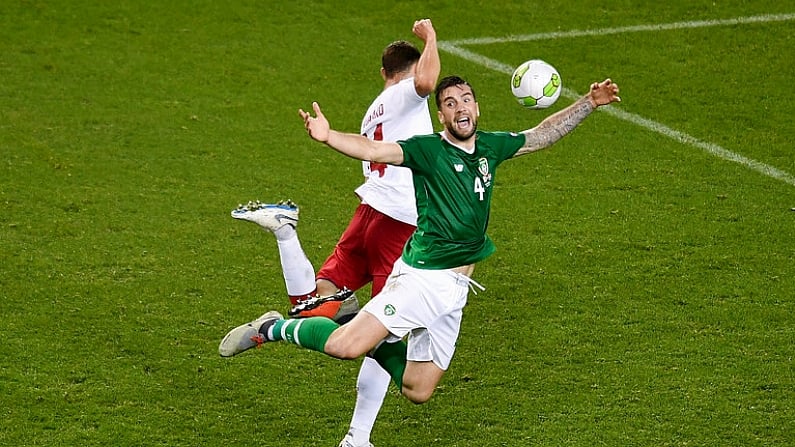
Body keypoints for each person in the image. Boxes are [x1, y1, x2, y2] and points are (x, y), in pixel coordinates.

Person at [220, 74, 620, 419]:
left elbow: (539, 136)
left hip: (456, 290)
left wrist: (589, 102)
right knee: (345, 347)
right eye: (449, 103)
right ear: (442, 116)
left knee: (418, 388)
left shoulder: (489, 148)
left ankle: (360, 326)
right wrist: (328, 137)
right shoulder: (428, 150)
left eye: (465, 100)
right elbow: (376, 150)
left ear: (476, 107)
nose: (459, 107)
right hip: (422, 278)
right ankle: (272, 327)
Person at [221, 19, 440, 447]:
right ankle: (357, 438)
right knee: (385, 331)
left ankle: (286, 232)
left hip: (369, 216)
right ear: (407, 72)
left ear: (382, 72)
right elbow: (428, 80)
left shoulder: (375, 107)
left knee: (313, 306)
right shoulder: (406, 96)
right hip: (402, 225)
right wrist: (430, 37)